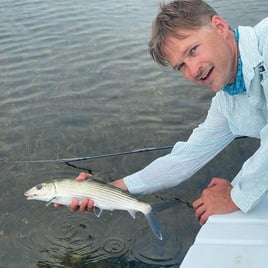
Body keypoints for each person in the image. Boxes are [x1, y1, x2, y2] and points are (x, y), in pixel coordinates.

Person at [58, 0, 268, 225]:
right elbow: (184, 159)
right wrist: (107, 190)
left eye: (194, 50)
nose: (194, 70)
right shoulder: (226, 102)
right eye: (181, 66)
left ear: (219, 26)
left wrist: (237, 195)